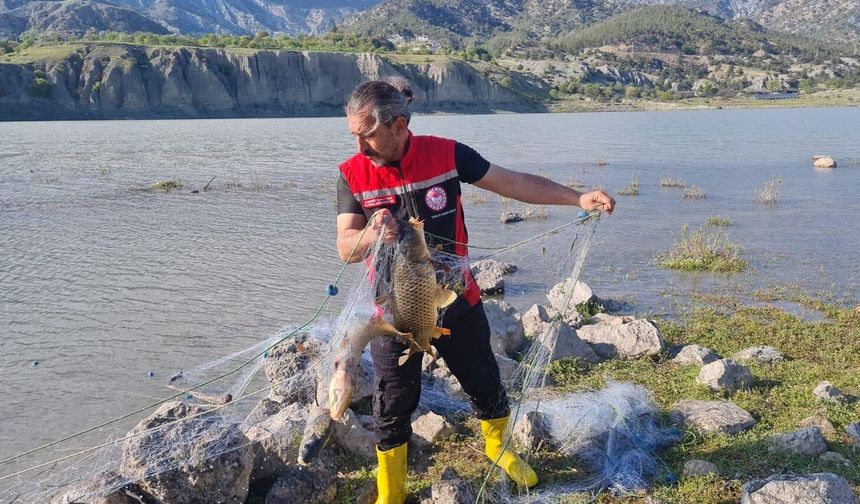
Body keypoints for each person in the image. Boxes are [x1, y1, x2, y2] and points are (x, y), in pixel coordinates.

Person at [336, 77, 615, 504]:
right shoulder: (351, 174)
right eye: (354, 137)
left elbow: (515, 183)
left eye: (368, 137)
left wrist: (577, 198)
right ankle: (390, 493)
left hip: (457, 301)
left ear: (399, 124)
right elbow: (345, 247)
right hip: (395, 315)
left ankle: (498, 448)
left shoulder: (447, 154)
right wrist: (373, 233)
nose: (361, 149)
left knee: (484, 381)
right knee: (391, 405)